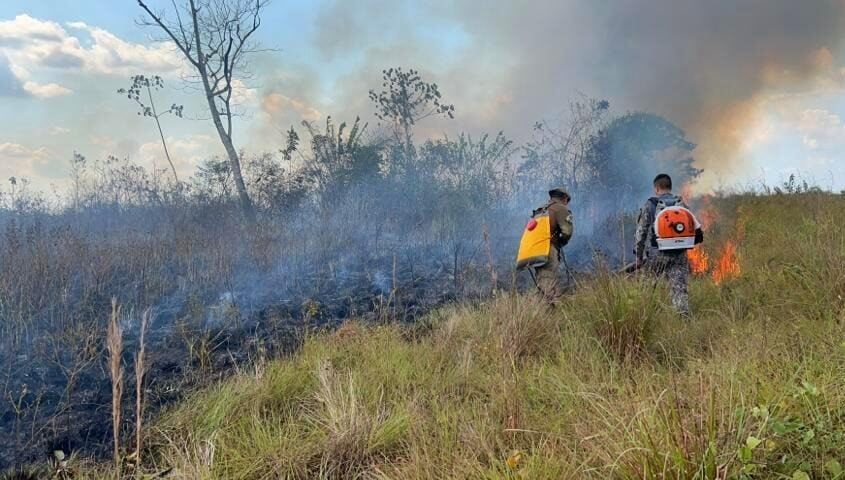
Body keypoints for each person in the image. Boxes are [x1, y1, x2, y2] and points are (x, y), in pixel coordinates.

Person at [634, 174, 699, 316]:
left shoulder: (651, 204)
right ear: (670, 187)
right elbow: (692, 226)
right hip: (679, 254)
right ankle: (683, 318)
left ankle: (642, 316)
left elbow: (641, 233)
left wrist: (638, 256)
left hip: (656, 254)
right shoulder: (681, 204)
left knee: (647, 287)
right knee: (679, 290)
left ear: (657, 188)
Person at [534, 187, 574, 304]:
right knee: (548, 280)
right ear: (565, 198)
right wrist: (560, 243)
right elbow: (567, 231)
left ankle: (545, 309)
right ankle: (546, 311)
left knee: (542, 279)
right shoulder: (560, 208)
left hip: (536, 250)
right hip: (548, 249)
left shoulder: (541, 209)